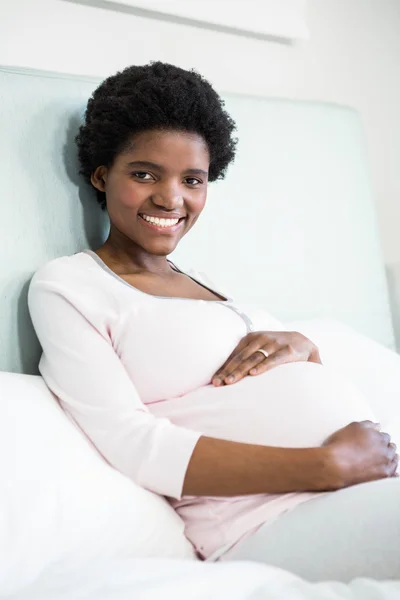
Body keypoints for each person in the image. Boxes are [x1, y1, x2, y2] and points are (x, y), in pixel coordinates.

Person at [28, 62, 399, 582]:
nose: (170, 198)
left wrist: (302, 346)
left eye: (192, 180)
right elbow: (130, 440)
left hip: (357, 487)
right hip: (266, 515)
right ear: (100, 176)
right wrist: (328, 466)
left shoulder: (208, 284)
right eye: (144, 174)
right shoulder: (68, 285)